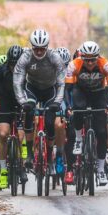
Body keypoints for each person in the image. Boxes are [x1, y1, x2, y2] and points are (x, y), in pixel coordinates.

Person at [13, 28, 67, 176]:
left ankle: (49, 160)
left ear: (47, 46)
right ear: (32, 47)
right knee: (29, 111)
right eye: (36, 49)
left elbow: (62, 82)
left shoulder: (54, 57)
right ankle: (29, 153)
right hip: (32, 90)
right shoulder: (25, 57)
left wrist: (57, 101)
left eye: (41, 49)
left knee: (50, 123)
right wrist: (22, 101)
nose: (38, 52)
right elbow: (17, 82)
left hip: (50, 91)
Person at [67, 40, 108, 186]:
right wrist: (69, 106)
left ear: (98, 57)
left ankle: (101, 170)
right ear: (81, 57)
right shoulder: (74, 65)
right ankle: (78, 140)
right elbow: (67, 90)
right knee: (78, 108)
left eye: (93, 59)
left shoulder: (105, 65)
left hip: (99, 93)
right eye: (86, 60)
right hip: (80, 91)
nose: (89, 63)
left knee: (101, 132)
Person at [0, 45, 24, 185]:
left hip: (21, 102)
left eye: (17, 63)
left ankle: (21, 164)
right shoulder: (1, 70)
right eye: (12, 63)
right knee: (2, 134)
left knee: (20, 137)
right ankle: (3, 170)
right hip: (5, 103)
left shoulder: (26, 70)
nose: (14, 67)